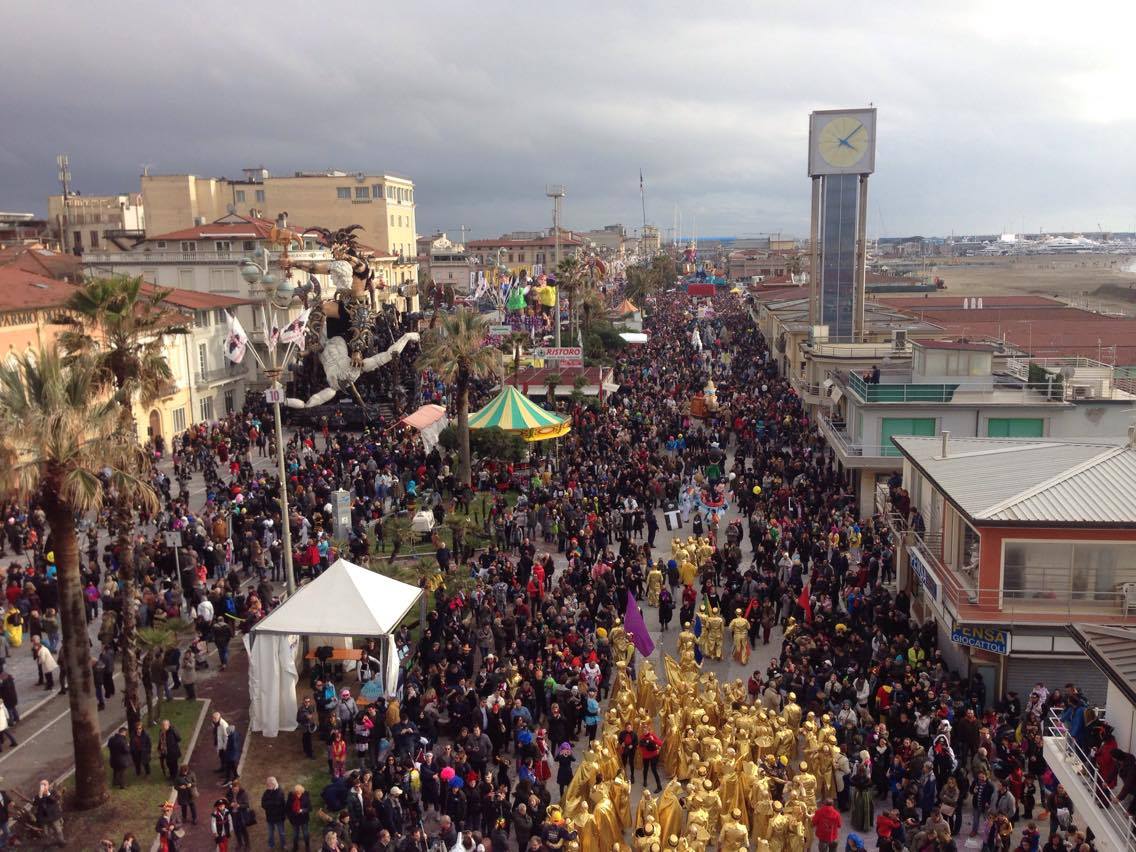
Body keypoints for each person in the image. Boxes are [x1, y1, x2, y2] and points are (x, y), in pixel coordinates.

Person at [33, 779, 64, 847]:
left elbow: (55, 800)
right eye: (42, 785)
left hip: (53, 816)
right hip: (44, 818)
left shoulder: (53, 792)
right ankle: (48, 844)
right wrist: (40, 796)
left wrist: (48, 794)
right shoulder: (38, 796)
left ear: (48, 785)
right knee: (46, 832)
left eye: (45, 785)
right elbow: (35, 804)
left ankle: (61, 841)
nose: (43, 787)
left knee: (58, 830)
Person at [227, 778, 253, 851]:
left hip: (241, 815)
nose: (234, 791)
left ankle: (247, 845)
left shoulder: (243, 793)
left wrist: (239, 806)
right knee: (236, 830)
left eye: (236, 789)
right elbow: (226, 802)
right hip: (233, 815)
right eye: (233, 789)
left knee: (244, 830)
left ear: (239, 787)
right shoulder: (229, 793)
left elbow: (247, 805)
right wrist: (230, 804)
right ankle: (240, 843)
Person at [262, 776, 288, 850]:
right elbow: (263, 804)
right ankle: (271, 845)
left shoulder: (280, 792)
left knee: (281, 833)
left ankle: (283, 845)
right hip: (270, 817)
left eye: (269, 784)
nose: (267, 786)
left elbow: (281, 804)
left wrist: (270, 804)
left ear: (273, 784)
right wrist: (271, 804)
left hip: (279, 817)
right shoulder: (266, 792)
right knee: (270, 834)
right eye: (267, 784)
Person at [287, 784, 312, 852]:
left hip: (304, 819)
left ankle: (307, 846)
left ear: (302, 791)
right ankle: (295, 846)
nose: (298, 794)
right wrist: (290, 816)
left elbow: (310, 808)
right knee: (295, 834)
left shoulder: (306, 796)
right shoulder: (291, 797)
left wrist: (302, 810)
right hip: (294, 819)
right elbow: (287, 808)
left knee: (305, 833)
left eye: (299, 792)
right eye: (296, 792)